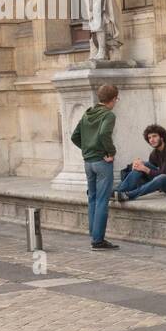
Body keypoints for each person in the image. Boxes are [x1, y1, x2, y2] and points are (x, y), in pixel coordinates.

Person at [70, 83, 119, 250]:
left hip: (88, 162)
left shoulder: (87, 113)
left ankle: (94, 233)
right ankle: (98, 240)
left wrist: (87, 148)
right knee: (102, 200)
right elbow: (104, 133)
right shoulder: (108, 115)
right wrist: (111, 152)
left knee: (92, 197)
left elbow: (75, 136)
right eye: (116, 100)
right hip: (101, 162)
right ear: (113, 99)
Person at [115, 124, 166, 202]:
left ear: (162, 137)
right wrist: (137, 167)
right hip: (162, 182)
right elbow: (150, 174)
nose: (151, 140)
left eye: (154, 136)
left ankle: (128, 195)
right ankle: (118, 192)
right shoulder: (154, 153)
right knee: (142, 164)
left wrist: (145, 169)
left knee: (161, 176)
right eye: (149, 138)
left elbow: (164, 174)